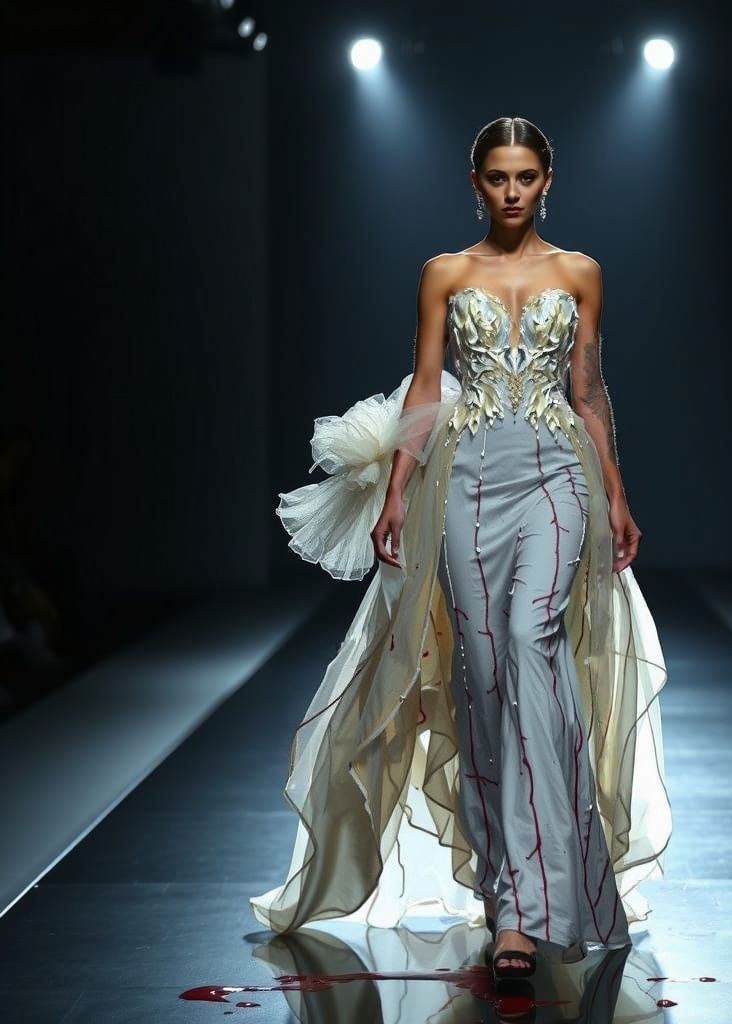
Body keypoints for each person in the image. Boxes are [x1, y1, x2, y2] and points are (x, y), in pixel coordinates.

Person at [250, 116, 671, 983]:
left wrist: (618, 493)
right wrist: (398, 490)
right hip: (468, 480)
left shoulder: (580, 273)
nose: (511, 191)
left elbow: (589, 392)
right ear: (474, 183)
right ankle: (507, 895)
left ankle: (539, 898)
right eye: (495, 177)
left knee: (530, 645)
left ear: (548, 177)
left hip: (559, 474)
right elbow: (428, 385)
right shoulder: (444, 274)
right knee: (479, 675)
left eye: (525, 176)